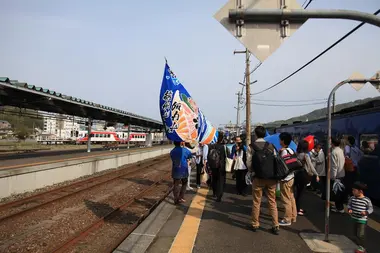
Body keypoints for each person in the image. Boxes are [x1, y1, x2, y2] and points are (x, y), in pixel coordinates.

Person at [250, 126, 280, 235]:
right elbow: (276, 161)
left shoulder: (252, 147)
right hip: (271, 178)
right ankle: (275, 225)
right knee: (272, 201)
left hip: (257, 178)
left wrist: (251, 172)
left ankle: (255, 224)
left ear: (256, 134)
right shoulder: (271, 146)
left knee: (256, 201)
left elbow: (249, 163)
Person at [294, 140, 319, 216]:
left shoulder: (296, 154)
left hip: (296, 174)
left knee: (297, 192)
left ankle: (297, 208)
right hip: (303, 175)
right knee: (300, 193)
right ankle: (297, 209)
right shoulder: (305, 155)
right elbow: (310, 166)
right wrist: (316, 174)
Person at [347, 181, 373, 253]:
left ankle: (362, 247)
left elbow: (371, 209)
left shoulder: (366, 200)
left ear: (360, 191)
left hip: (362, 220)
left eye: (354, 190)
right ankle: (356, 243)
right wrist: (349, 209)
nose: (352, 192)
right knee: (353, 233)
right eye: (352, 190)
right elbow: (349, 204)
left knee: (361, 234)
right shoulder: (352, 198)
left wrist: (366, 212)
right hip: (354, 218)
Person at [278, 132, 297, 226]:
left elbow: (281, 165)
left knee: (285, 199)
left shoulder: (284, 151)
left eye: (280, 139)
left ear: (283, 141)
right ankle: (293, 216)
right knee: (291, 197)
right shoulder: (291, 150)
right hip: (291, 176)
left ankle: (287, 219)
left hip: (285, 178)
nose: (279, 141)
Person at [207, 132, 226, 202]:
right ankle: (219, 196)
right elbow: (225, 157)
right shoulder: (223, 147)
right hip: (221, 167)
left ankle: (214, 193)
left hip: (213, 166)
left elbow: (208, 156)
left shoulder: (211, 146)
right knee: (220, 181)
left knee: (214, 179)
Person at [331, 137, 346, 213]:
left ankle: (339, 208)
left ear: (332, 143)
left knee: (337, 192)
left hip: (337, 175)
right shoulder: (341, 150)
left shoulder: (334, 152)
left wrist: (333, 176)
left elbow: (334, 166)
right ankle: (340, 206)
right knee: (340, 192)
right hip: (342, 173)